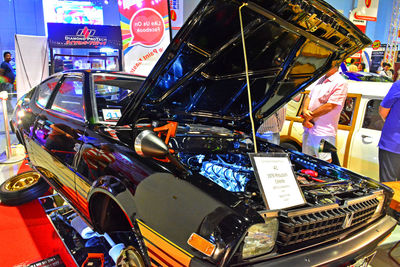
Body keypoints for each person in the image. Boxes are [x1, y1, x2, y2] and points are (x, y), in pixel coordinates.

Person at [302, 65, 348, 162]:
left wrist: (309, 117)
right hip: (309, 128)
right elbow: (309, 97)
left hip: (324, 131)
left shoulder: (340, 82)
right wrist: (305, 111)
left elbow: (330, 105)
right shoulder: (320, 79)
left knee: (324, 161)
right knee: (306, 159)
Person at [378, 80, 400, 182]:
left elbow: (383, 111)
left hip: (393, 143)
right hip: (393, 143)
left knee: (388, 185)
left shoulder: (399, 85)